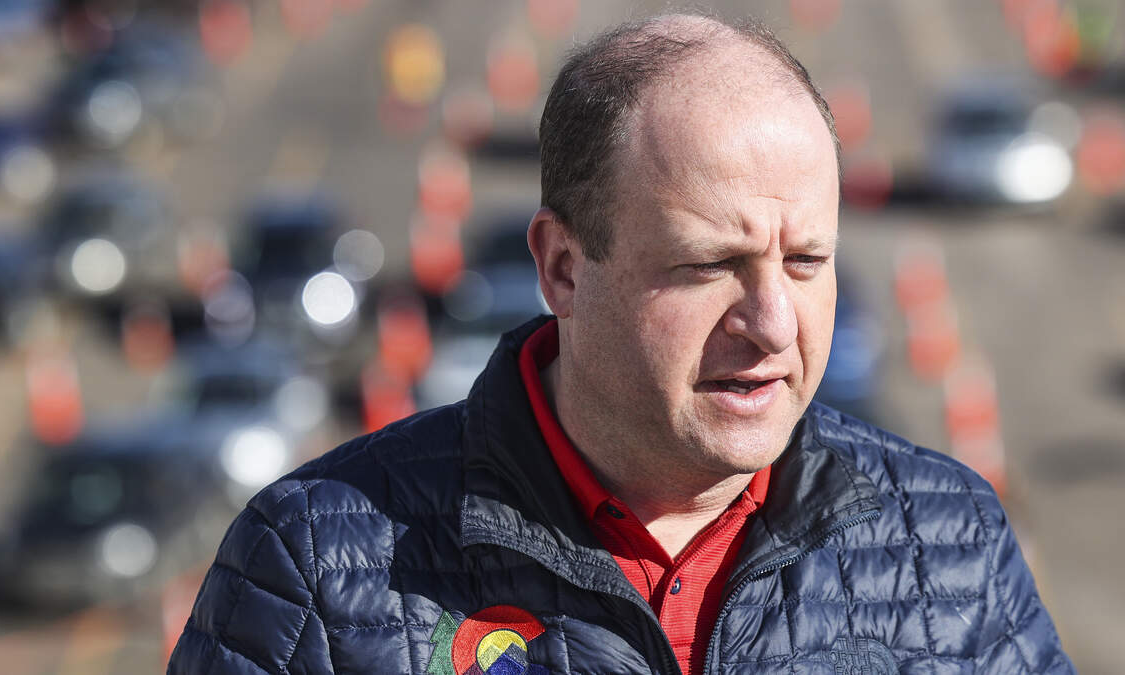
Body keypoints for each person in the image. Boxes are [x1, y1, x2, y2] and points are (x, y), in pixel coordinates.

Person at [170, 14, 1072, 674]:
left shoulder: (950, 540)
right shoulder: (315, 571)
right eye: (709, 265)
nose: (772, 322)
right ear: (563, 268)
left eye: (806, 261)